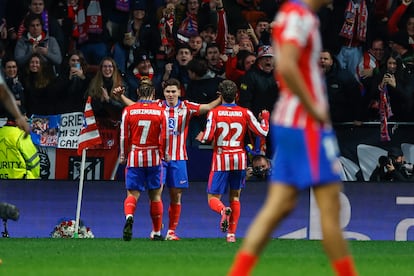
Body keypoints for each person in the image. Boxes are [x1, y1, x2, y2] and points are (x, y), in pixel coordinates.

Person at [228, 1, 358, 276]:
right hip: (305, 125)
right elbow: (286, 66)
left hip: (291, 122)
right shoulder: (299, 16)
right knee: (329, 207)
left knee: (279, 207)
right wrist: (316, 109)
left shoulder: (294, 14)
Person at [197, 79, 269, 243]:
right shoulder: (245, 112)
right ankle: (231, 235)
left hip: (221, 158)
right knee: (235, 197)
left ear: (219, 95)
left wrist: (203, 136)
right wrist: (265, 118)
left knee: (212, 198)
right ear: (237, 95)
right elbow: (262, 132)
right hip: (239, 158)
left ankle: (223, 210)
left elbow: (207, 137)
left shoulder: (214, 113)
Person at [120, 83, 166, 241]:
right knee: (155, 196)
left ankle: (129, 217)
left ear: (138, 92)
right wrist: (164, 153)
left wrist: (122, 154)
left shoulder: (129, 111)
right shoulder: (161, 111)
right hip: (153, 156)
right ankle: (157, 232)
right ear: (153, 93)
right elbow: (164, 137)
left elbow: (123, 136)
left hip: (135, 156)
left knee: (132, 194)